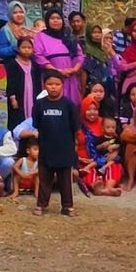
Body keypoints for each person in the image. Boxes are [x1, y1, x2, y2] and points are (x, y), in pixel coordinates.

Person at [32, 73, 80, 217]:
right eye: (50, 84)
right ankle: (41, 205)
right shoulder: (39, 105)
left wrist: (74, 146)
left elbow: (75, 127)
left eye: (57, 84)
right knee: (44, 178)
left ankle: (67, 206)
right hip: (46, 148)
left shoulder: (69, 105)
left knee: (65, 180)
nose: (53, 87)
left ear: (62, 86)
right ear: (44, 86)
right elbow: (37, 125)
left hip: (65, 148)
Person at [34, 10, 84, 106]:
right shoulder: (41, 36)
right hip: (52, 77)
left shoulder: (69, 36)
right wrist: (57, 71)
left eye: (58, 18)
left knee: (71, 105)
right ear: (47, 21)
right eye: (53, 18)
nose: (56, 21)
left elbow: (80, 54)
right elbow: (38, 56)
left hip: (71, 76)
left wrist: (75, 69)